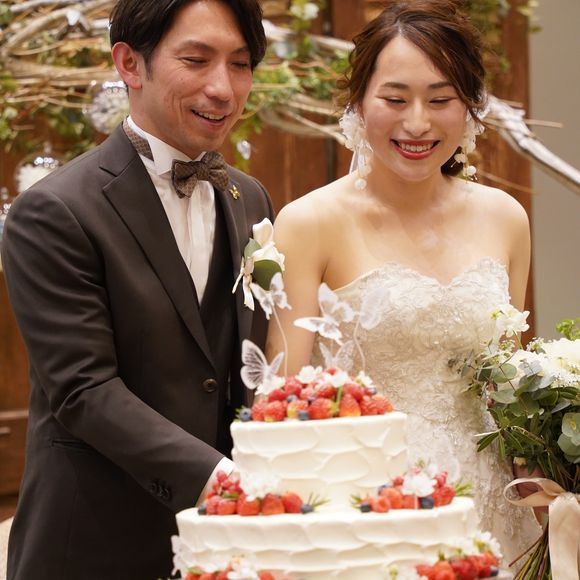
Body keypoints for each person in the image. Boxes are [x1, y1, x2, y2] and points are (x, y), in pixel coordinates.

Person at [1, 1, 272, 578]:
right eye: (196, 60)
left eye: (240, 63)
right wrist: (224, 480)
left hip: (227, 546)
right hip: (95, 543)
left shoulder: (248, 198)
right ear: (129, 63)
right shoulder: (54, 211)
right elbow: (84, 390)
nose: (223, 88)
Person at [268, 0, 541, 570]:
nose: (417, 123)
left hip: (494, 507)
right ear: (358, 103)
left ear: (470, 107)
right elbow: (281, 401)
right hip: (371, 506)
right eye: (395, 99)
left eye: (440, 100)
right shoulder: (309, 223)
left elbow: (509, 382)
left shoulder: (506, 218)